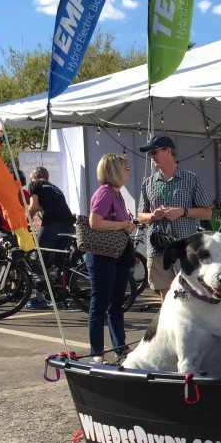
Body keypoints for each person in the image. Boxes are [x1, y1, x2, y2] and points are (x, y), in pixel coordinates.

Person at [136, 134, 212, 297]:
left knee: (190, 292)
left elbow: (207, 212)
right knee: (166, 295)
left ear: (168, 151)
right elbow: (140, 216)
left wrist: (182, 211)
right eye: (149, 154)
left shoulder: (191, 179)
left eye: (154, 152)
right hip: (158, 249)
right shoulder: (148, 183)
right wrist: (152, 216)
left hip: (185, 248)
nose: (151, 157)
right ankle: (169, 324)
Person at [86, 154, 137, 364]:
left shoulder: (117, 193)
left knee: (116, 303)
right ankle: (96, 352)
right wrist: (122, 225)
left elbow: (116, 221)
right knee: (100, 304)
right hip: (103, 255)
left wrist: (128, 224)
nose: (128, 171)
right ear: (115, 170)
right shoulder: (105, 193)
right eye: (125, 167)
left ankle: (119, 347)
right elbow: (94, 222)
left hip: (117, 253)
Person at [27, 166, 74, 307]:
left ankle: (40, 299)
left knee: (38, 261)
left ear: (34, 176)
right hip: (68, 225)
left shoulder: (35, 184)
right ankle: (58, 297)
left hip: (51, 225)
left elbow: (34, 207)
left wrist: (24, 222)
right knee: (60, 262)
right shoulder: (55, 188)